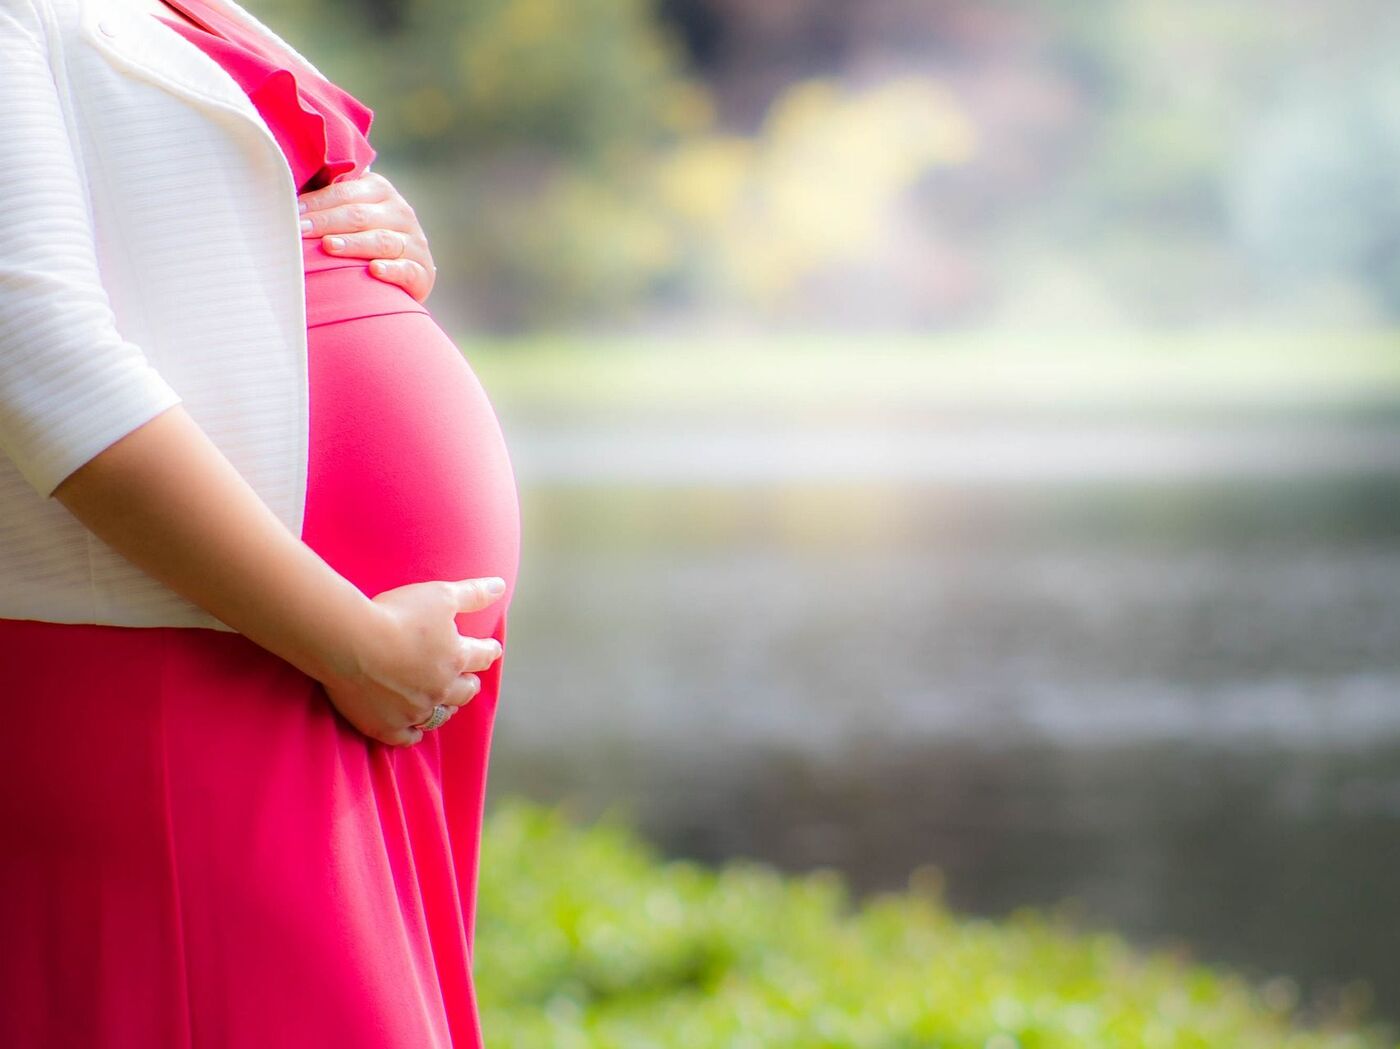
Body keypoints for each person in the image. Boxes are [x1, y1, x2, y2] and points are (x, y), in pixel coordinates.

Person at [0, 0, 522, 1045]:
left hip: (302, 658)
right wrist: (349, 640)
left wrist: (368, 226)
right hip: (202, 656)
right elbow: (33, 351)